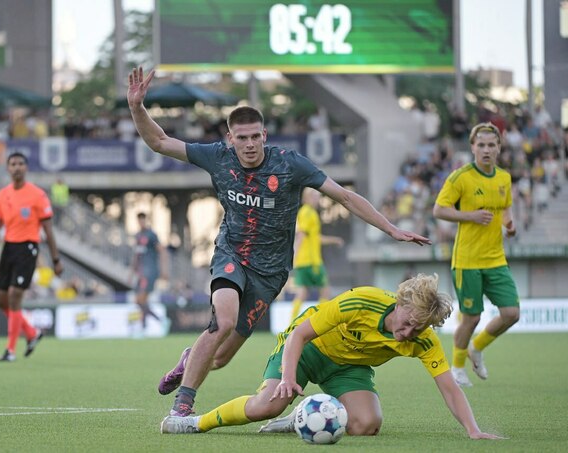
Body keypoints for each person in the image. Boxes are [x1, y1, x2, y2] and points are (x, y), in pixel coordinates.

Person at [127, 67, 431, 418]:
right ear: (230, 139)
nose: (249, 144)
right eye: (242, 138)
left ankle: (188, 359)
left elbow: (344, 197)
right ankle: (183, 405)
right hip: (232, 254)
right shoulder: (218, 157)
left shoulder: (290, 165)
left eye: (255, 136)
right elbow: (160, 142)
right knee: (223, 322)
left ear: (264, 135)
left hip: (271, 273)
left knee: (221, 357)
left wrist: (390, 228)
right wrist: (137, 107)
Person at [160, 274, 502, 440]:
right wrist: (289, 378)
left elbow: (448, 387)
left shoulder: (424, 340)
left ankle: (299, 419)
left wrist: (473, 430)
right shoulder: (362, 301)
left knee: (367, 425)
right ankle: (195, 422)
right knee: (267, 405)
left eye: (419, 328)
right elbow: (300, 334)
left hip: (349, 367)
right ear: (400, 303)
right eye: (408, 322)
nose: (409, 332)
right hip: (308, 349)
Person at [433, 122, 520, 388]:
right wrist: (470, 216)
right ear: (472, 147)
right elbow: (439, 210)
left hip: (496, 259)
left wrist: (510, 224)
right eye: (481, 145)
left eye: (491, 145)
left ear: (499, 148)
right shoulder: (461, 177)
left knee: (511, 313)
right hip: (467, 260)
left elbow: (506, 209)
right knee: (471, 318)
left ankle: (477, 347)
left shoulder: (504, 178)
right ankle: (457, 369)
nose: (486, 150)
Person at [0, 152, 63, 362]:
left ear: (26, 167)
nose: (17, 167)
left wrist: (56, 259)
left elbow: (48, 230)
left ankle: (10, 350)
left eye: (20, 164)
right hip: (8, 248)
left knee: (15, 295)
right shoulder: (2, 195)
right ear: (8, 168)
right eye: (13, 164)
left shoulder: (37, 195)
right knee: (1, 300)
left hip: (28, 247)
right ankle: (32, 333)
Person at [289, 187, 344, 321]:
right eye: (315, 196)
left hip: (303, 261)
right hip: (312, 261)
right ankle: (320, 321)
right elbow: (301, 235)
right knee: (325, 291)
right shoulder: (308, 213)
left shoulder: (305, 212)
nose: (317, 199)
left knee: (303, 293)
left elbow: (315, 238)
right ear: (307, 198)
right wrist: (294, 255)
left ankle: (291, 323)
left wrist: (334, 240)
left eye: (318, 197)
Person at [130, 212, 169, 333]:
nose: (141, 222)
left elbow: (162, 251)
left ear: (145, 220)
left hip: (150, 272)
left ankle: (147, 326)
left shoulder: (151, 235)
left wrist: (164, 270)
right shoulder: (137, 236)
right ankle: (157, 322)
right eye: (139, 220)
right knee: (140, 301)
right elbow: (136, 256)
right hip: (141, 273)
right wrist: (131, 273)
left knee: (140, 300)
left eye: (142, 220)